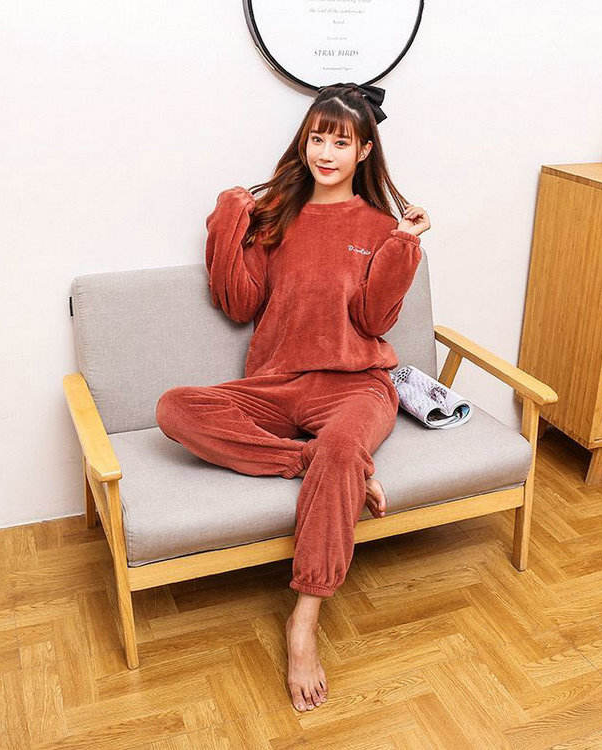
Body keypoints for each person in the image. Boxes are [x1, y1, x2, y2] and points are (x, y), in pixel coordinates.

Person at [155, 82, 431, 713]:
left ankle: (303, 622)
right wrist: (231, 213)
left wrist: (404, 244)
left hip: (355, 385)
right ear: (304, 143)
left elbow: (375, 319)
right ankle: (325, 464)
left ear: (364, 151)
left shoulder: (380, 227)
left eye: (341, 141)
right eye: (317, 138)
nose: (325, 152)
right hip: (276, 386)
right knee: (175, 407)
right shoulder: (276, 217)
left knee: (342, 443)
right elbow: (238, 303)